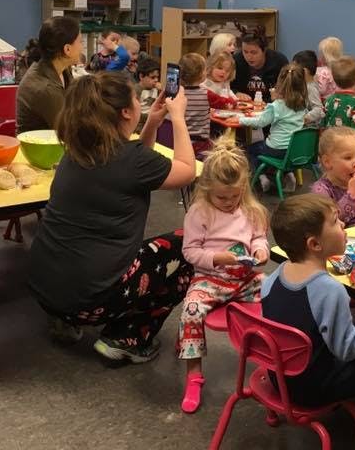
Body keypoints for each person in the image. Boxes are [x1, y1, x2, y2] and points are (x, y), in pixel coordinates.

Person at [27, 73, 197, 364]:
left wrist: (153, 122)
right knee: (190, 246)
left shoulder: (78, 151)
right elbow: (186, 169)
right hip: (90, 301)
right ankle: (128, 337)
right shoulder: (131, 160)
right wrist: (178, 118)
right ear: (127, 112)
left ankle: (64, 322)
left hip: (46, 290)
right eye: (135, 100)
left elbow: (138, 161)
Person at [262, 194, 355, 450]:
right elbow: (347, 349)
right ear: (315, 244)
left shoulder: (274, 277)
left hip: (280, 379)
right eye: (336, 221)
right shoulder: (330, 290)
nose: (343, 226)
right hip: (311, 389)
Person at [177, 135, 269, 413]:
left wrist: (261, 252)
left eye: (234, 196)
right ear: (206, 189)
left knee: (281, 291)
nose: (229, 202)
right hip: (210, 280)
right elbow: (190, 252)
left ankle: (272, 365)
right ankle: (194, 375)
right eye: (221, 197)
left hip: (244, 280)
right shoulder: (199, 211)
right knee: (191, 310)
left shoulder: (252, 210)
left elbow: (259, 239)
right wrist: (217, 258)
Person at [239, 63, 308, 193]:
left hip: (277, 149)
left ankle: (263, 177)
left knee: (252, 149)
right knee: (270, 148)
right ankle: (288, 174)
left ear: (279, 83)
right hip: (294, 151)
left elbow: (260, 122)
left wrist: (240, 119)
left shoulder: (276, 106)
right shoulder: (303, 103)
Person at [15, 17, 83, 134]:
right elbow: (69, 133)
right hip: (40, 149)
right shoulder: (45, 88)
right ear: (67, 49)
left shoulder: (62, 69)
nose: (82, 47)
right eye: (80, 42)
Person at [311, 126, 355, 227]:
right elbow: (331, 224)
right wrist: (352, 196)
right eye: (348, 158)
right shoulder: (320, 190)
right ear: (327, 162)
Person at [322, 55, 355, 145]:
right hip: (349, 148)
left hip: (331, 146)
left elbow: (323, 125)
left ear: (334, 79)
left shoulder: (328, 101)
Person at [231, 33, 288, 100]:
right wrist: (236, 93)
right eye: (245, 52)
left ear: (264, 50)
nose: (249, 57)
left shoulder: (279, 61)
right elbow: (227, 86)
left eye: (254, 52)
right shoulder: (236, 60)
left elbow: (287, 88)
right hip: (244, 105)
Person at [179, 53, 211, 155]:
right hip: (201, 141)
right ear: (201, 74)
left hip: (181, 140)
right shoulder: (207, 93)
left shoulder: (179, 93)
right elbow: (225, 103)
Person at [291, 50, 325, 127]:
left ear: (304, 71)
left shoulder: (310, 88)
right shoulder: (304, 85)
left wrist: (304, 118)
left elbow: (318, 109)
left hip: (308, 129)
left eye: (294, 70)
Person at [135, 57, 160, 133]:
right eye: (152, 77)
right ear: (141, 76)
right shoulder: (136, 90)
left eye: (157, 77)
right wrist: (150, 117)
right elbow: (135, 113)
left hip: (152, 126)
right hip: (139, 128)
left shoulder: (156, 89)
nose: (156, 80)